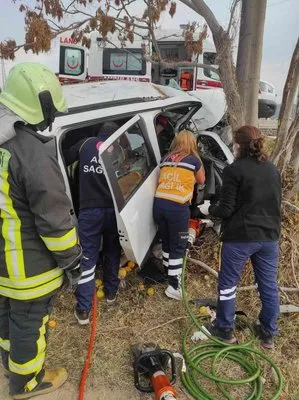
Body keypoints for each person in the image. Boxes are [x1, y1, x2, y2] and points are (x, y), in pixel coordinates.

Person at [0, 63, 82, 399]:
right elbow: (55, 221)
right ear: (41, 106)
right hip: (29, 268)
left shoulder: (5, 144)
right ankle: (27, 382)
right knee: (29, 322)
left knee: (8, 317)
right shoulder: (32, 153)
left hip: (4, 260)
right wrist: (73, 261)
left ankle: (10, 361)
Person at [199, 125, 281, 349]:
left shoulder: (234, 170)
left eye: (234, 143)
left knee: (227, 284)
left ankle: (224, 330)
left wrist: (209, 209)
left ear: (238, 145)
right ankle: (268, 333)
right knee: (268, 286)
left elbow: (226, 209)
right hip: (269, 238)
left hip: (241, 238)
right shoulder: (272, 169)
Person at [64, 122, 122, 325]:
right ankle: (111, 293)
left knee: (87, 256)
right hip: (113, 210)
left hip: (89, 210)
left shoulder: (85, 144)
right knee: (113, 250)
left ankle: (83, 311)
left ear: (98, 133)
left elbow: (64, 158)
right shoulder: (118, 151)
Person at [153, 130, 205, 300]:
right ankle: (174, 286)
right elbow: (202, 181)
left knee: (167, 241)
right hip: (177, 208)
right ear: (192, 143)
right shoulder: (193, 160)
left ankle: (169, 274)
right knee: (179, 244)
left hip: (159, 205)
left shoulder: (165, 160)